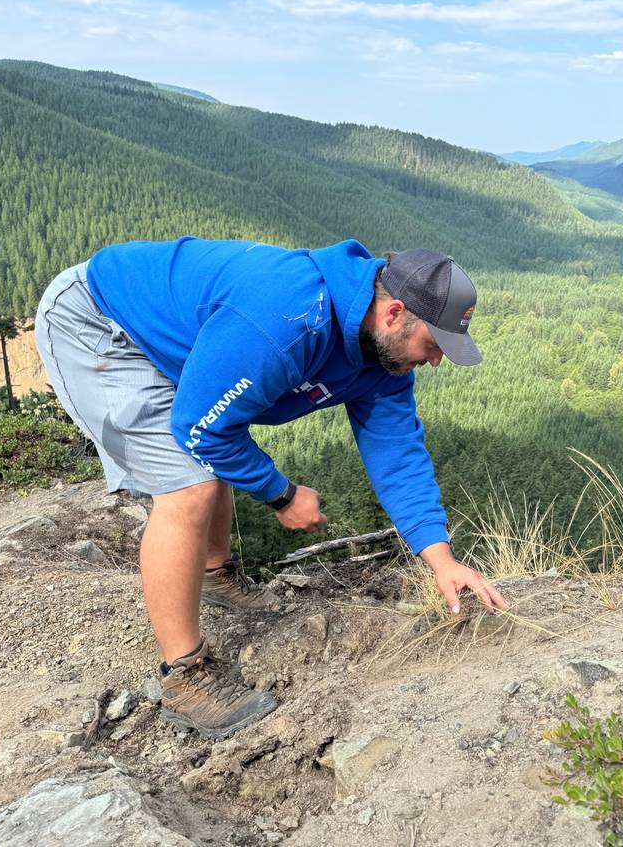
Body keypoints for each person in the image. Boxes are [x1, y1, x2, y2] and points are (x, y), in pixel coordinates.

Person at [34, 237, 508, 740]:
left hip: (171, 333)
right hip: (100, 322)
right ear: (394, 314)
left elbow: (397, 454)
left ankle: (213, 576)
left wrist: (441, 559)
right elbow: (202, 428)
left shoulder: (383, 362)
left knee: (207, 460)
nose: (435, 362)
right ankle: (184, 676)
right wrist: (280, 493)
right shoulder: (287, 320)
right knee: (188, 485)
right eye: (433, 345)